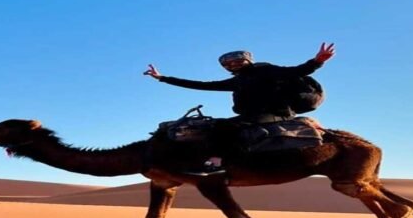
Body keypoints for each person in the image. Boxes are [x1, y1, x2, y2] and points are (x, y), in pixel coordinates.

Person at [143, 43, 335, 175]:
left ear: (248, 60)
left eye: (238, 61)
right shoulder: (237, 80)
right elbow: (203, 85)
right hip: (252, 115)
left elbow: (296, 71)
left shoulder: (265, 71)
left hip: (275, 114)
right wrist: (163, 78)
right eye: (229, 63)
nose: (233, 65)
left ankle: (216, 163)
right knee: (213, 126)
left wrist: (318, 61)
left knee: (224, 128)